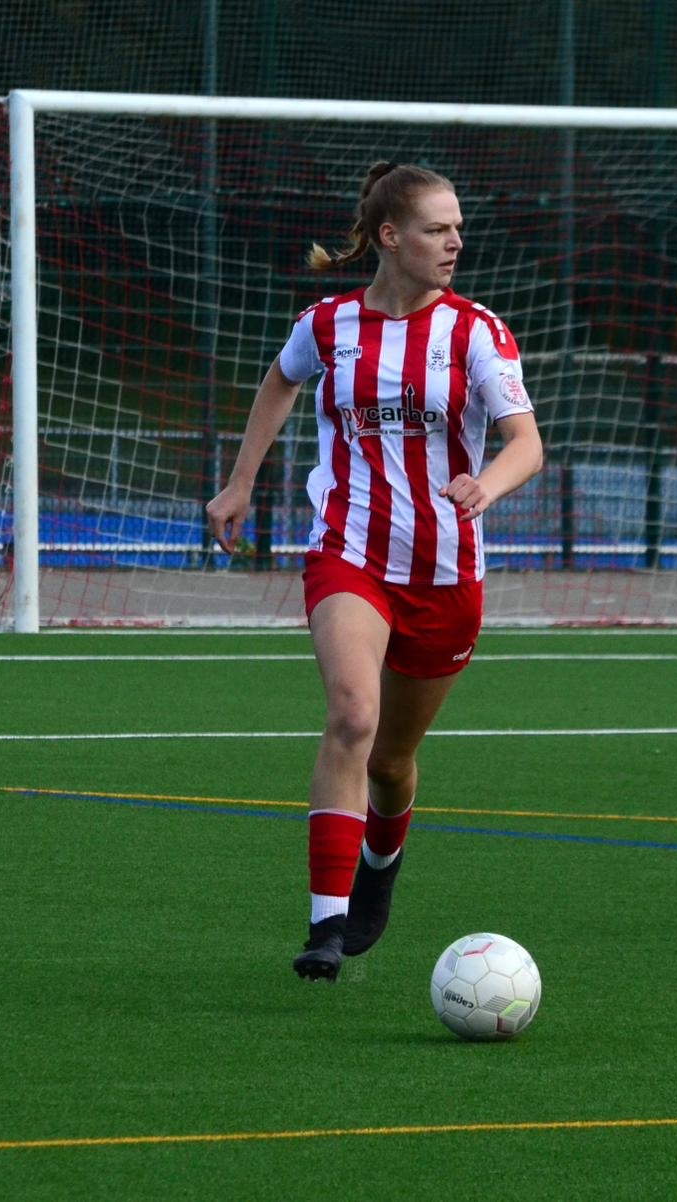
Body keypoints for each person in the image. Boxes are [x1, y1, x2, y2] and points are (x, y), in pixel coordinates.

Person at [205, 162, 545, 982]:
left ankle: (380, 867)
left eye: (458, 228)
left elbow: (526, 443)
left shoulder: (475, 332)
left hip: (444, 574)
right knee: (353, 715)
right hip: (347, 553)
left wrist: (485, 485)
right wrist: (241, 482)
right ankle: (327, 924)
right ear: (391, 238)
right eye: (437, 229)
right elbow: (280, 381)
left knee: (391, 762)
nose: (455, 242)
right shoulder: (328, 325)